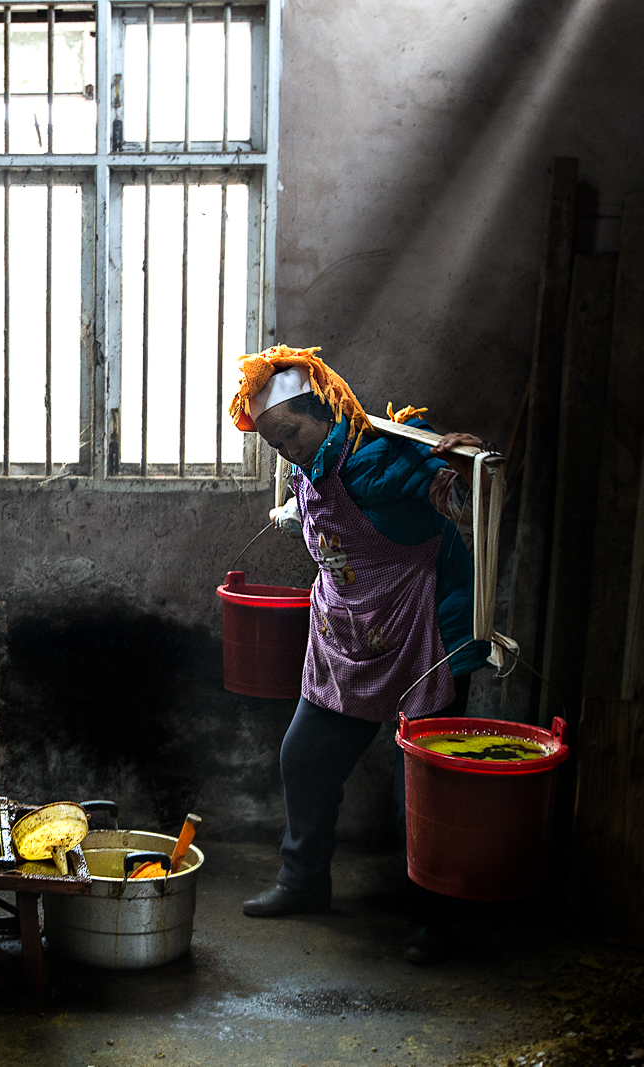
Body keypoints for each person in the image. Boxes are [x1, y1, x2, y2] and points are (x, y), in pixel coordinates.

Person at [227, 345, 490, 966]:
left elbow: (454, 495)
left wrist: (464, 467)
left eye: (289, 433)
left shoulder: (383, 454)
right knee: (305, 757)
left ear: (324, 415)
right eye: (273, 441)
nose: (284, 449)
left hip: (425, 633)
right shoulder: (310, 464)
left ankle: (434, 920)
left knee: (422, 792)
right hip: (351, 635)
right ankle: (304, 881)